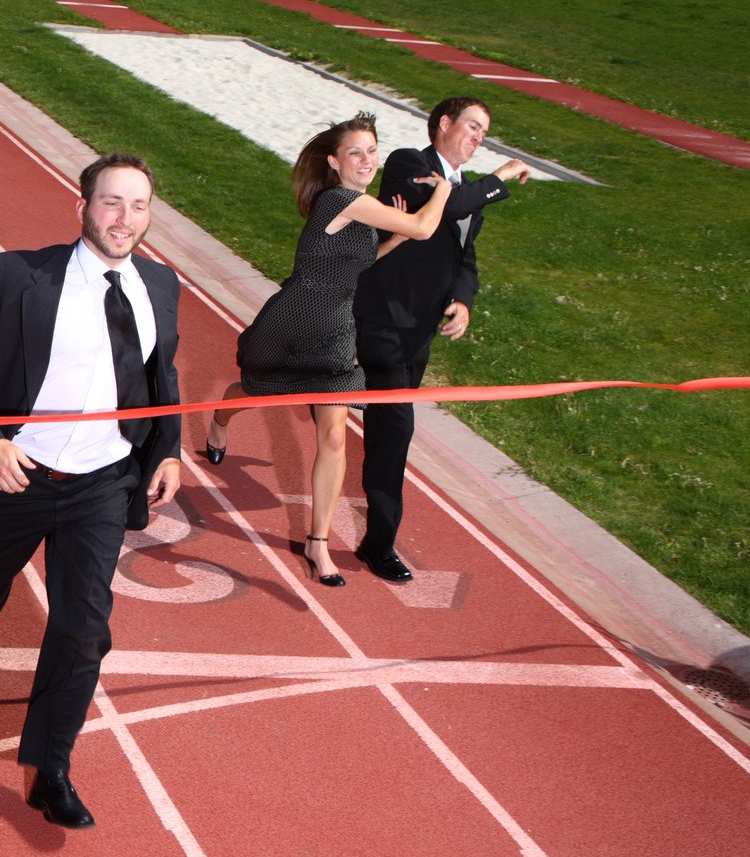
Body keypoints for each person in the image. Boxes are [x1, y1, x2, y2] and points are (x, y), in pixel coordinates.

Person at [0, 154, 181, 831]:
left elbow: (158, 375)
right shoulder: (17, 275)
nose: (123, 219)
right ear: (80, 206)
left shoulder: (160, 285)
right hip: (18, 474)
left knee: (84, 630)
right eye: (110, 203)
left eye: (137, 206)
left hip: (103, 483)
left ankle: (50, 767)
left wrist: (168, 449)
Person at [201, 113, 450, 587]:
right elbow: (424, 227)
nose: (367, 160)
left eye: (372, 151)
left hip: (335, 329)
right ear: (335, 162)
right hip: (293, 321)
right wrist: (446, 189)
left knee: (334, 435)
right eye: (356, 152)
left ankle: (318, 545)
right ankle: (219, 417)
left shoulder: (361, 205)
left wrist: (391, 238)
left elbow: (354, 263)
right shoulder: (342, 198)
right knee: (258, 393)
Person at [352, 98, 529, 583]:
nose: (478, 138)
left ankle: (229, 409)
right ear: (445, 124)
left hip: (418, 334)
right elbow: (450, 207)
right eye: (473, 126)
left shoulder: (463, 191)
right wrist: (502, 175)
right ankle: (379, 544)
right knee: (395, 433)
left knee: (370, 422)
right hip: (381, 323)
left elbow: (463, 259)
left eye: (484, 132)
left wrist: (464, 300)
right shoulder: (408, 163)